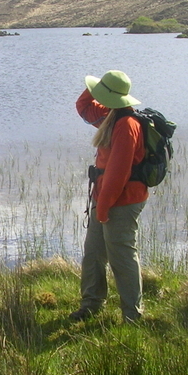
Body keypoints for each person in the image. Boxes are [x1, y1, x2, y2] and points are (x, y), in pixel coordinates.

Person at [70, 70, 148, 323]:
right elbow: (83, 106)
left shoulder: (127, 125)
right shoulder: (109, 116)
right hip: (104, 197)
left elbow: (118, 173)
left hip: (122, 200)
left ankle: (132, 315)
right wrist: (96, 87)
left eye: (103, 93)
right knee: (93, 253)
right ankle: (91, 304)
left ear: (111, 98)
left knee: (121, 256)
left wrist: (102, 209)